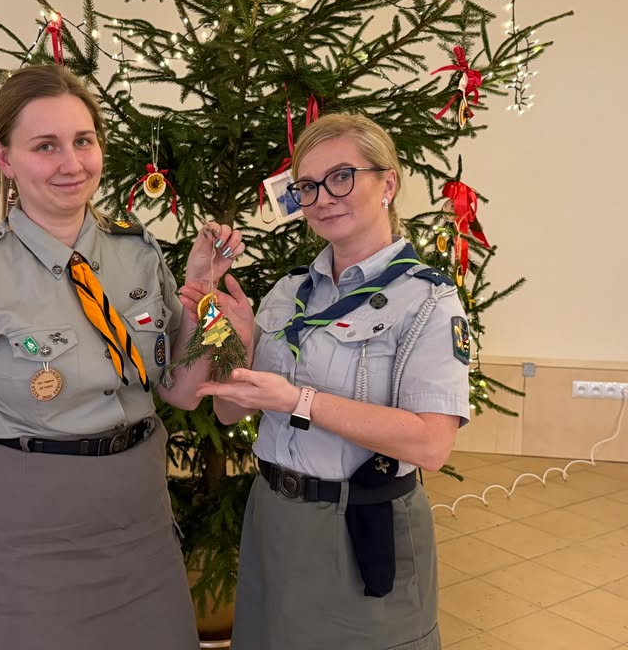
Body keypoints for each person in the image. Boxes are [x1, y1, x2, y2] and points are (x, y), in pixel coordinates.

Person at [0, 64, 245, 650]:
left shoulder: (137, 253)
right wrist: (20, 470)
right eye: (45, 146)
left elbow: (180, 391)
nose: (72, 163)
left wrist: (202, 288)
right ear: (4, 158)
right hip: (23, 533)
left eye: (83, 141)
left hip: (139, 517)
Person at [186, 113, 470, 650]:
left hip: (359, 523)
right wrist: (238, 344)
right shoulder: (288, 292)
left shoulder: (428, 300)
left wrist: (299, 400)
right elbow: (228, 411)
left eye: (342, 177)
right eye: (309, 186)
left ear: (387, 183)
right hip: (273, 515)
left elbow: (431, 445)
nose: (323, 198)